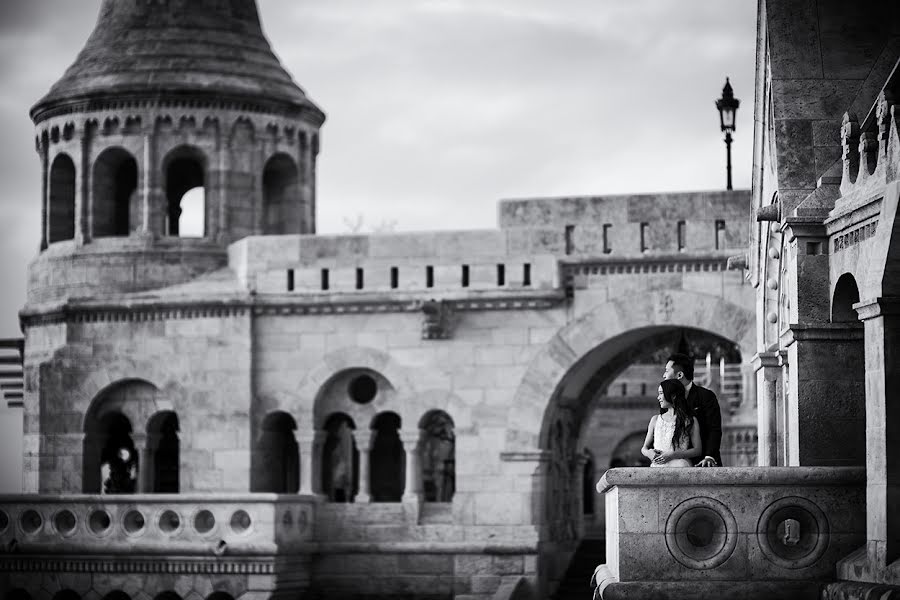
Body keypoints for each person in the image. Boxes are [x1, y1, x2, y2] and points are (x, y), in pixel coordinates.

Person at [663, 352, 723, 467]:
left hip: (703, 463)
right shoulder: (666, 400)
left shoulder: (706, 396)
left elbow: (714, 429)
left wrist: (709, 456)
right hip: (672, 465)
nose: (664, 375)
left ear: (679, 375)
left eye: (666, 371)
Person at [641, 379, 701, 467]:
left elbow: (697, 450)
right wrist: (649, 453)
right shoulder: (655, 420)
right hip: (657, 467)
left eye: (661, 393)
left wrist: (673, 455)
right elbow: (644, 448)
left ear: (673, 396)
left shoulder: (690, 420)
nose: (658, 397)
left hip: (680, 466)